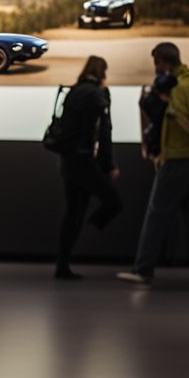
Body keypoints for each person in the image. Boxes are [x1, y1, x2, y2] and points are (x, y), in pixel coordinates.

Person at [118, 42, 189, 285]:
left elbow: (178, 121)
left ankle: (143, 269)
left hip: (176, 160)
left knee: (157, 216)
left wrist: (169, 109)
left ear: (164, 63)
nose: (157, 69)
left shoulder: (180, 89)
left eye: (157, 64)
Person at [55, 55, 122, 279]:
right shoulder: (100, 94)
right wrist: (109, 164)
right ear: (103, 72)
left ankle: (62, 266)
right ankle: (96, 223)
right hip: (84, 161)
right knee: (113, 202)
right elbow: (105, 131)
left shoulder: (74, 91)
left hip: (68, 160)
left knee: (72, 214)